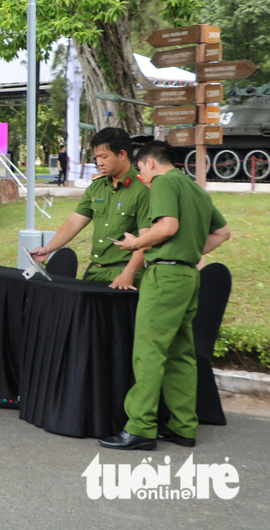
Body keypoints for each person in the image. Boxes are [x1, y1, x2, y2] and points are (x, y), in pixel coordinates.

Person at [100, 140, 230, 450]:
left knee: (149, 351)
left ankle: (141, 427)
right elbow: (222, 233)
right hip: (188, 275)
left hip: (165, 275)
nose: (141, 175)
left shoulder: (162, 183)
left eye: (141, 168)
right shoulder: (195, 188)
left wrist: (136, 243)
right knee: (180, 353)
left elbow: (168, 226)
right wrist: (188, 251)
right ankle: (183, 427)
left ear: (151, 164)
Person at [30, 128, 152, 289]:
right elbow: (75, 222)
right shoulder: (97, 186)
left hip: (125, 276)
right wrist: (48, 249)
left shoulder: (142, 189)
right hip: (96, 271)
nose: (99, 162)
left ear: (122, 154)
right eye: (97, 157)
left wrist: (128, 274)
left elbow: (147, 240)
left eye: (104, 156)